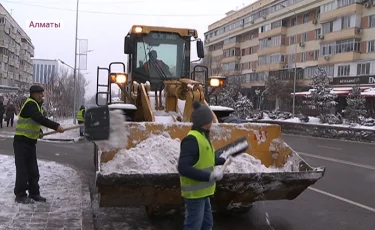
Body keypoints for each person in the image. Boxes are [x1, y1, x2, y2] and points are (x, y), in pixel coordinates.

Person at [178, 101, 231, 230]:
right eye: (210, 120)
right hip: (195, 195)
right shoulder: (192, 140)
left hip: (204, 193)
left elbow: (205, 158)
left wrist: (221, 160)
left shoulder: (203, 137)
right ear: (205, 122)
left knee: (207, 225)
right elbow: (183, 168)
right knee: (194, 226)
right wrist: (209, 176)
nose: (212, 122)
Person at [13, 85, 64, 204]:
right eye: (40, 93)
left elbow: (32, 122)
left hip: (30, 143)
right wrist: (56, 126)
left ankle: (34, 193)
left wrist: (38, 132)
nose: (42, 95)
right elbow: (39, 118)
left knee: (33, 170)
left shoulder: (36, 105)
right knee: (23, 171)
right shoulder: (30, 104)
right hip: (21, 143)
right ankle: (20, 195)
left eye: (42, 93)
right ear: (33, 94)